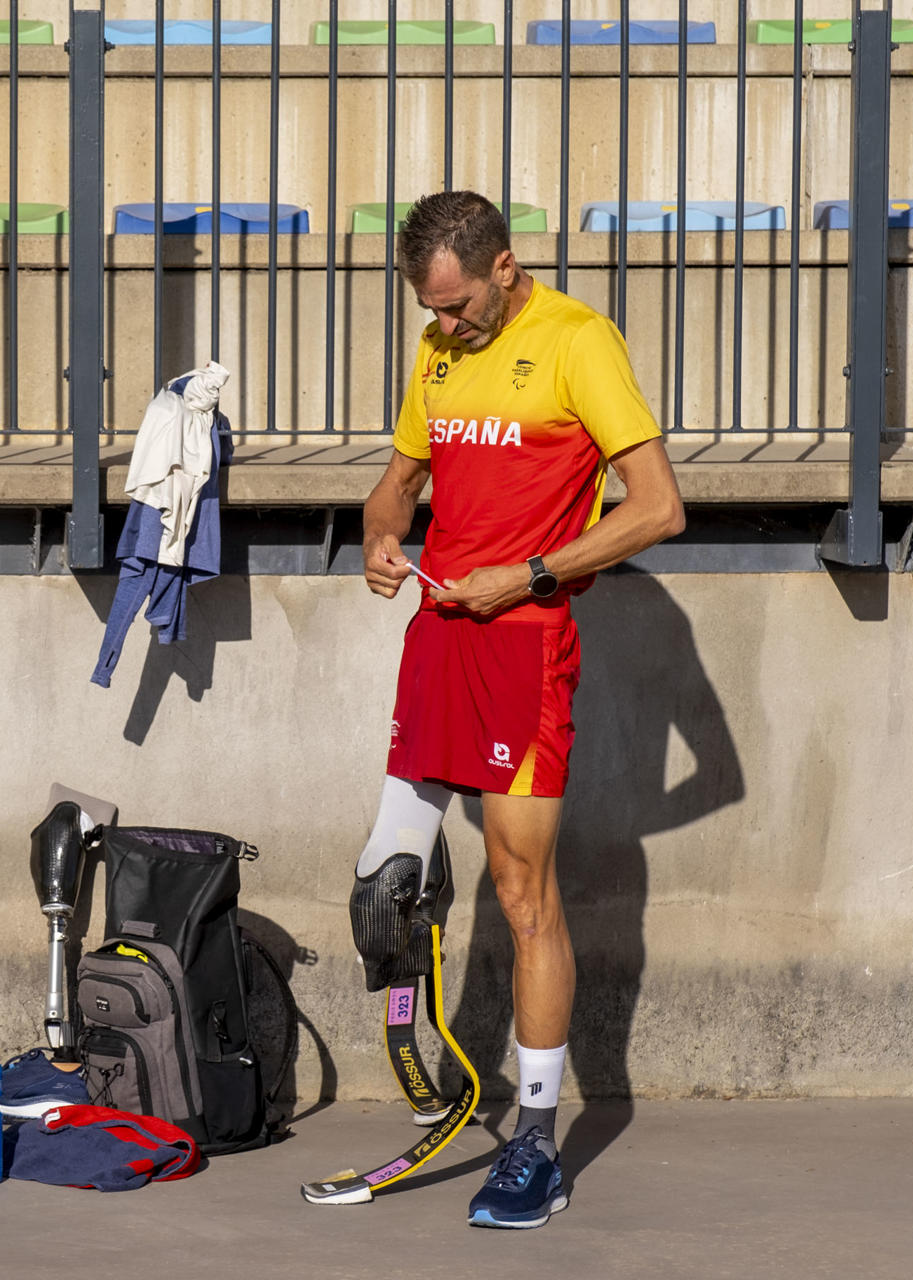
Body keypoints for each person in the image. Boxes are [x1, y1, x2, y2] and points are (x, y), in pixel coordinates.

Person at [354, 190, 686, 1228]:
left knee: (521, 888)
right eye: (430, 310)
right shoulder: (439, 347)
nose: (442, 325)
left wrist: (531, 573)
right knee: (378, 896)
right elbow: (398, 479)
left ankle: (535, 1145)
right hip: (437, 637)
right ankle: (441, 1066)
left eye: (456, 305)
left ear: (504, 266)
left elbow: (659, 506)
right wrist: (379, 532)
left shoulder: (578, 341)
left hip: (524, 643)